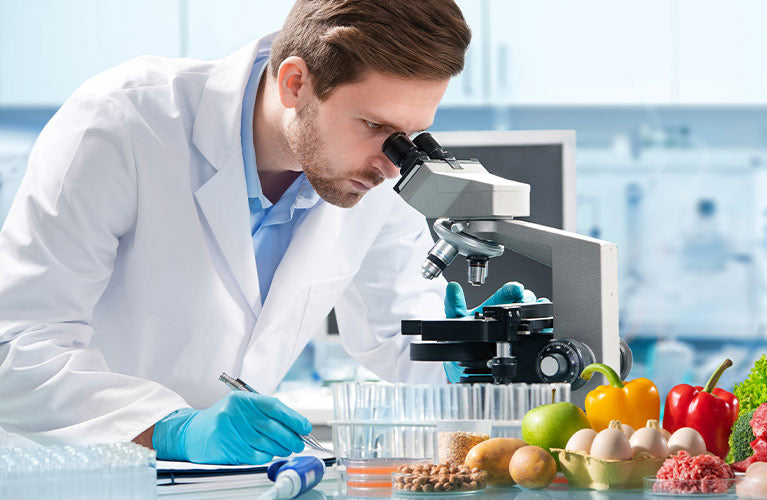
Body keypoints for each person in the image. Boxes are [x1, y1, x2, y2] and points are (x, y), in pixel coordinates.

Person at [0, 0, 531, 464]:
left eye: (412, 134)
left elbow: (396, 334)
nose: (393, 164)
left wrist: (468, 357)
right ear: (295, 83)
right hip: (84, 469)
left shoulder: (373, 172)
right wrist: (171, 427)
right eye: (375, 127)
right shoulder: (123, 123)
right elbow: (18, 343)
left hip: (234, 480)